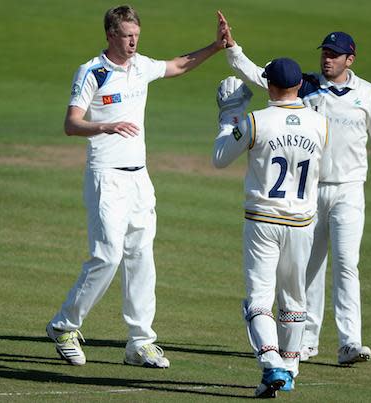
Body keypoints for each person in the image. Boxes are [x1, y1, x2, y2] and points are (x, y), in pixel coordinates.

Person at [218, 13, 371, 365]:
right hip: (308, 192)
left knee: (346, 263)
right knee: (308, 269)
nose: (327, 58)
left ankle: (350, 342)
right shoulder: (305, 86)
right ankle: (305, 341)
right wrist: (233, 49)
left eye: (335, 54)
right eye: (325, 52)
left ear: (350, 59)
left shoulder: (367, 94)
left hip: (350, 189)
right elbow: (264, 77)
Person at [45, 5, 230, 368]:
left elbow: (177, 65)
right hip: (106, 175)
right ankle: (64, 325)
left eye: (137, 36)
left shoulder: (141, 65)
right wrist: (105, 126)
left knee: (141, 258)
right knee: (108, 255)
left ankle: (140, 343)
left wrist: (215, 47)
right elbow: (71, 123)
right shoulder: (92, 73)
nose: (133, 42)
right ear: (111, 35)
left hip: (139, 178)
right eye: (127, 36)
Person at [212, 58, 328, 397]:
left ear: (269, 86)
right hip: (302, 222)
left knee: (258, 301)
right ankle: (288, 369)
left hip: (262, 221)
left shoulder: (255, 122)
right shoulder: (320, 124)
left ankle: (272, 361)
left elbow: (219, 157)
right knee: (294, 297)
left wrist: (228, 117)